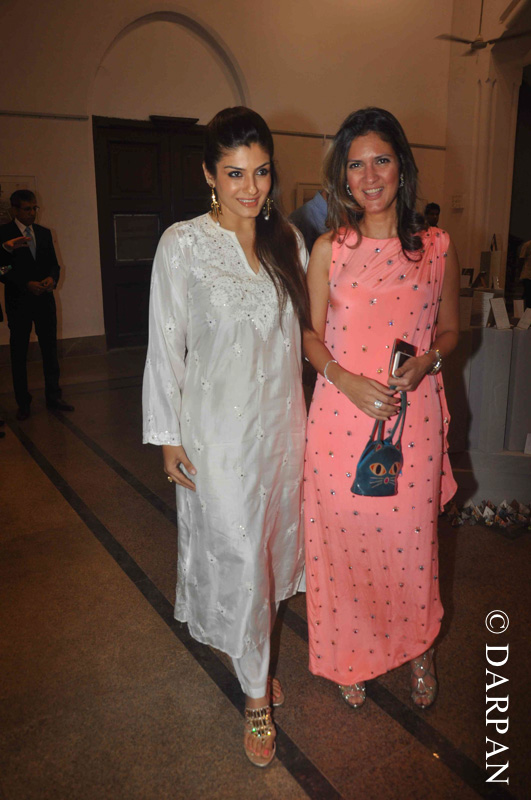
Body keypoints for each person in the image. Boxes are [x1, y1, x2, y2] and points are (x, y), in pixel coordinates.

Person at [142, 107, 311, 767]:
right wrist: (166, 436)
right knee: (239, 558)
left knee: (265, 560)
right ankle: (256, 697)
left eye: (261, 172)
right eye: (235, 173)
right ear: (209, 174)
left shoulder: (286, 241)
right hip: (217, 438)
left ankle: (252, 653)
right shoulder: (182, 245)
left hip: (282, 433)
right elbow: (165, 347)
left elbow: (305, 337)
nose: (250, 187)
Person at [303, 108, 459, 711]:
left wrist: (427, 363)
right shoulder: (329, 250)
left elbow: (451, 332)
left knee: (411, 545)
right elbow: (309, 336)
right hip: (339, 421)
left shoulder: (437, 247)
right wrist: (344, 380)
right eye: (356, 165)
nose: (369, 177)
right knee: (346, 543)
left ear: (402, 167)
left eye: (382, 161)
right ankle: (353, 650)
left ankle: (419, 647)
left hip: (411, 421)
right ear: (343, 177)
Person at [0, 190, 74, 419]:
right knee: (19, 353)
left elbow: (54, 265)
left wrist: (52, 278)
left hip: (44, 300)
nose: (32, 213)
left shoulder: (43, 233)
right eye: (27, 209)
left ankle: (54, 396)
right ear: (14, 210)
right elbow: (2, 269)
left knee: (50, 350)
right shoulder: (4, 234)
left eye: (34, 208)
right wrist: (25, 284)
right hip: (19, 302)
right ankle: (23, 402)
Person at [518, 239, 531, 308]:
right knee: (528, 295)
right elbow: (521, 259)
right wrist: (520, 274)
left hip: (528, 273)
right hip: (528, 274)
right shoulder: (527, 245)